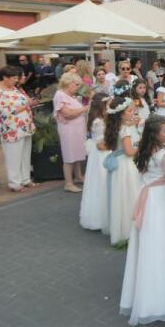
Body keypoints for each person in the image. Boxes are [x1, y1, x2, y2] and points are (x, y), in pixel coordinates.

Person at [120, 114, 165, 325]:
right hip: (163, 200)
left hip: (148, 199)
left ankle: (149, 296)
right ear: (155, 134)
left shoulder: (144, 151)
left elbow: (147, 176)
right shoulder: (164, 154)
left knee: (151, 247)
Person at [103, 97, 143, 245]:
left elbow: (128, 124)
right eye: (130, 110)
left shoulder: (115, 126)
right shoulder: (124, 129)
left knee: (121, 196)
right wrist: (143, 148)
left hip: (118, 164)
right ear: (121, 114)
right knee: (131, 194)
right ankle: (130, 229)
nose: (133, 112)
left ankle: (122, 227)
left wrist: (133, 122)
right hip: (126, 164)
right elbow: (128, 151)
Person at [0, 66, 37, 192]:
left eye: (17, 78)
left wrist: (29, 102)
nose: (16, 81)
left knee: (25, 155)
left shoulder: (13, 88)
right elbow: (6, 112)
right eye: (14, 78)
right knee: (13, 157)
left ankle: (25, 179)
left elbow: (24, 101)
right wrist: (27, 104)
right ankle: (14, 183)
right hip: (11, 129)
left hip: (25, 126)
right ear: (5, 78)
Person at [54, 72, 89, 193]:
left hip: (76, 130)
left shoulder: (69, 95)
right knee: (69, 156)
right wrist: (84, 108)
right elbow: (67, 114)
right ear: (68, 84)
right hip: (68, 130)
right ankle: (68, 183)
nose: (78, 87)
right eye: (76, 84)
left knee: (77, 153)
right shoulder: (60, 95)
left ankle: (78, 176)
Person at [80, 92, 110, 231]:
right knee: (102, 183)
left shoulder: (102, 117)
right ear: (102, 105)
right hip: (102, 156)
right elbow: (100, 145)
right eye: (108, 103)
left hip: (100, 155)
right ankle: (101, 216)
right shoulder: (98, 122)